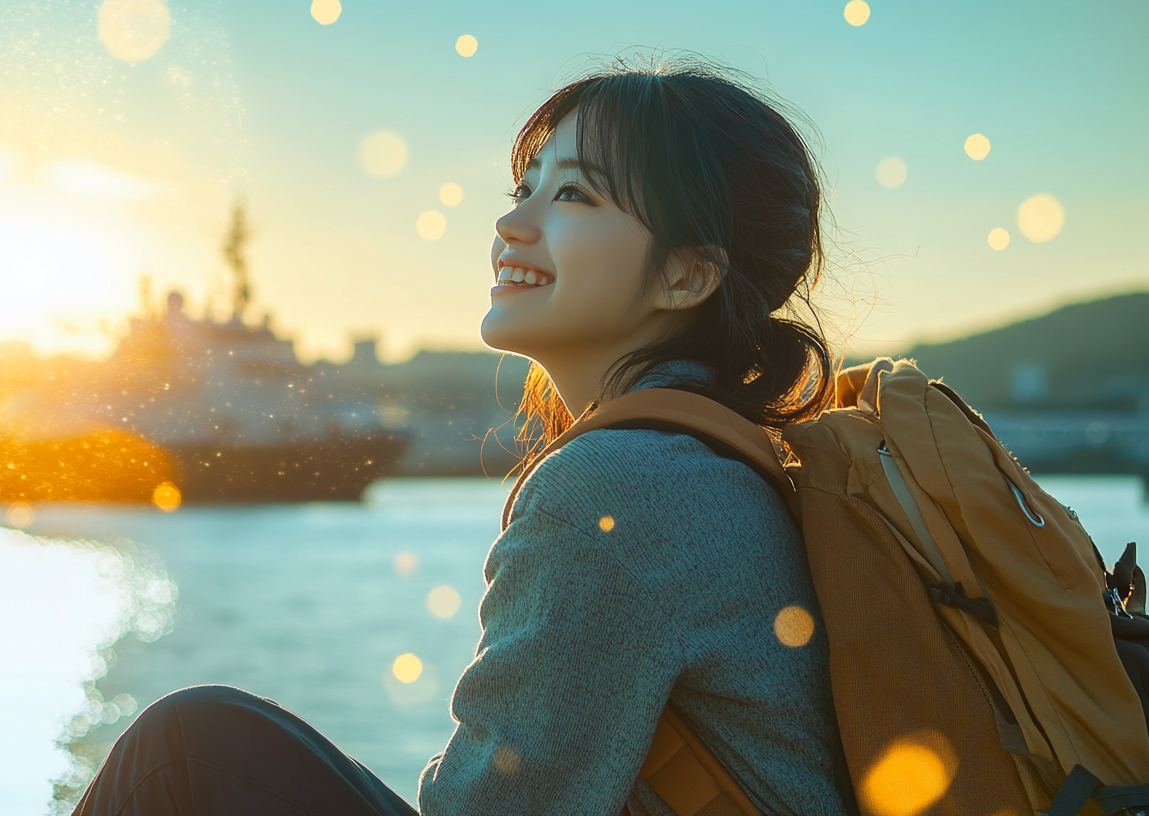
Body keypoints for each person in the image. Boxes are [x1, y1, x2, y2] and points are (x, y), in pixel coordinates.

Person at [71, 58, 849, 816]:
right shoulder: (726, 460)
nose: (511, 223)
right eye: (525, 188)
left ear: (686, 276)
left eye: (573, 193)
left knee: (189, 748)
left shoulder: (617, 484)